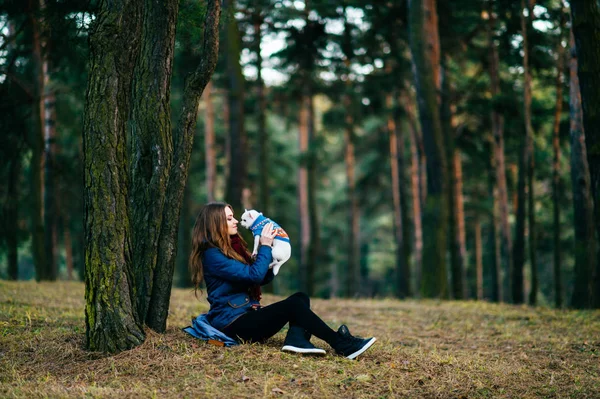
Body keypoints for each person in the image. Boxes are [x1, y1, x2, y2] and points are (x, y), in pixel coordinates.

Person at [188, 202, 377, 359]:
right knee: (293, 305)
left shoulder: (231, 249)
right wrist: (265, 246)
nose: (236, 221)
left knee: (300, 297)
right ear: (216, 224)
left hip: (245, 316)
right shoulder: (213, 255)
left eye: (234, 216)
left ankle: (296, 340)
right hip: (232, 324)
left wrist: (273, 261)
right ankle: (341, 344)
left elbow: (258, 277)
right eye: (229, 219)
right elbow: (254, 275)